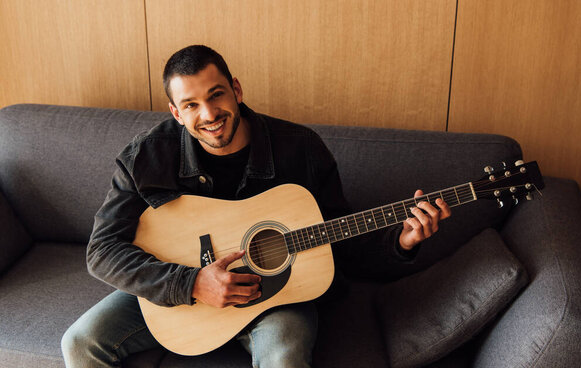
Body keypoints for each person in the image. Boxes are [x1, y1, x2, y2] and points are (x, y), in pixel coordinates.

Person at [61, 45, 451, 367]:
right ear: (176, 113)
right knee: (81, 342)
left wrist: (402, 240)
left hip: (276, 301)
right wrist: (192, 283)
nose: (209, 115)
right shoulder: (145, 157)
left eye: (216, 95)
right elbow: (102, 252)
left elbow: (340, 243)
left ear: (236, 90)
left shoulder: (301, 150)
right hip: (174, 290)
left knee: (285, 356)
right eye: (191, 105)